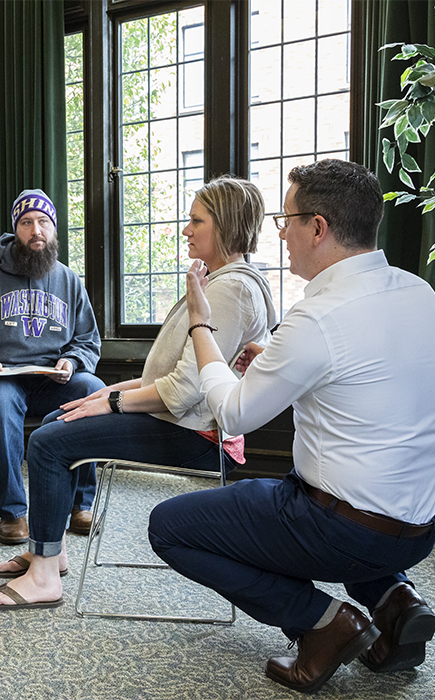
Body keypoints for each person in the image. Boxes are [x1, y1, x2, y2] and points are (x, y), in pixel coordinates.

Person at [149, 159, 435, 693]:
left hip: (343, 530)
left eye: (287, 218)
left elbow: (231, 413)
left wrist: (200, 320)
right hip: (420, 530)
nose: (279, 231)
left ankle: (324, 623)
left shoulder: (317, 317)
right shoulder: (421, 294)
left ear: (318, 228)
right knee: (342, 502)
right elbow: (364, 381)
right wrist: (279, 357)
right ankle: (396, 602)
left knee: (169, 525)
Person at [0, 175, 277, 608]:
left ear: (226, 225)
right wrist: (102, 396)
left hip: (196, 436)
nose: (187, 229)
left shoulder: (231, 290)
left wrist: (111, 401)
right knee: (55, 420)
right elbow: (168, 371)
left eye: (196, 220)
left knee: (47, 443)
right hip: (175, 420)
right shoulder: (218, 279)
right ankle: (52, 550)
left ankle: (43, 578)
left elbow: (183, 391)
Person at [0, 189, 105, 544]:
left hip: (50, 382)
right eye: (27, 222)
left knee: (92, 389)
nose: (36, 230)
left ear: (54, 230)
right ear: (16, 229)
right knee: (1, 399)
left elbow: (89, 340)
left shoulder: (69, 281)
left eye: (44, 222)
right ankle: (14, 512)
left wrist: (72, 362)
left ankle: (80, 503)